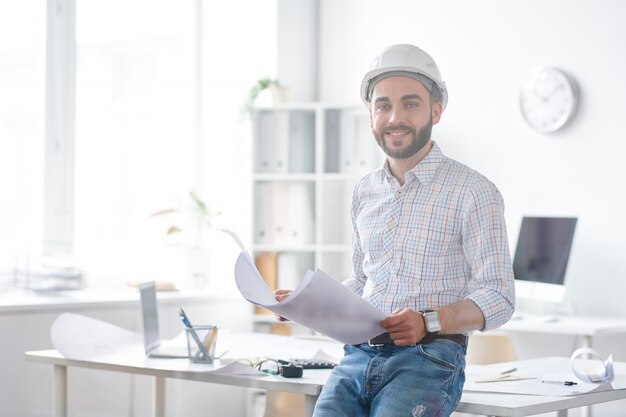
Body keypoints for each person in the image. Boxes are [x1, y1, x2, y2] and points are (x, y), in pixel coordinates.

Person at [275, 44, 515, 417]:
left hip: (429, 359)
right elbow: (362, 279)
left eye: (410, 104)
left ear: (436, 110)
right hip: (358, 356)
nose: (395, 117)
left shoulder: (474, 191)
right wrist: (308, 302)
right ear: (371, 114)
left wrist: (427, 322)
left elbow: (500, 296)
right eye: (383, 105)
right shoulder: (364, 191)